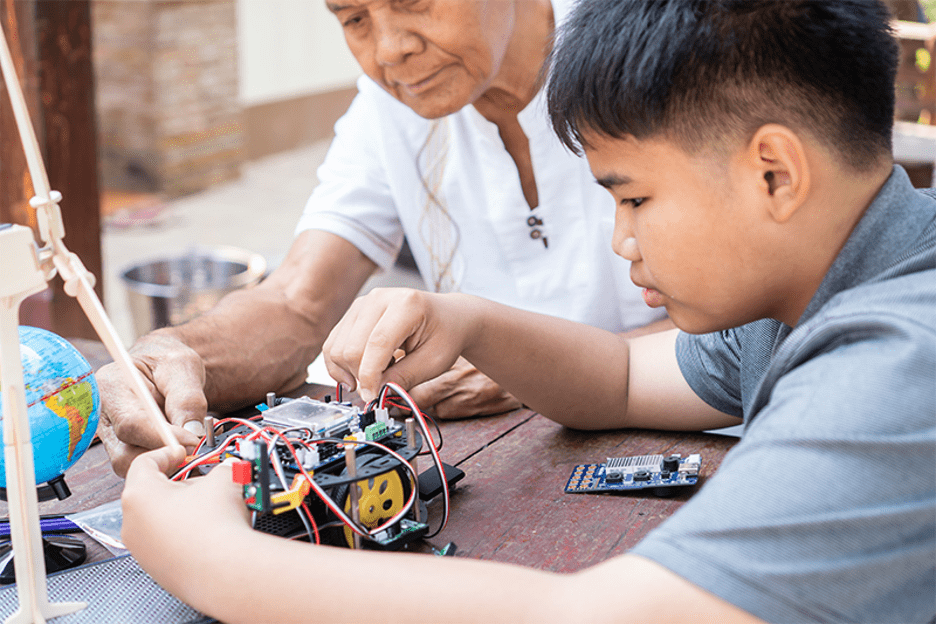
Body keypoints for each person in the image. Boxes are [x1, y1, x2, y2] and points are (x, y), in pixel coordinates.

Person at [120, 0, 935, 622]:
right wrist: (469, 321)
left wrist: (209, 559)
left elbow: (597, 615)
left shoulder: (896, 364)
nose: (624, 239)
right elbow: (618, 379)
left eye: (636, 198)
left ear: (775, 174)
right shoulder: (805, 295)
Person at [96, 0, 668, 477]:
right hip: (504, 465)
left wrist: (528, 359)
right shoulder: (393, 108)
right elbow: (296, 303)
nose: (389, 49)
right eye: (353, 18)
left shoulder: (656, 50)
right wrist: (172, 358)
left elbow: (751, 324)